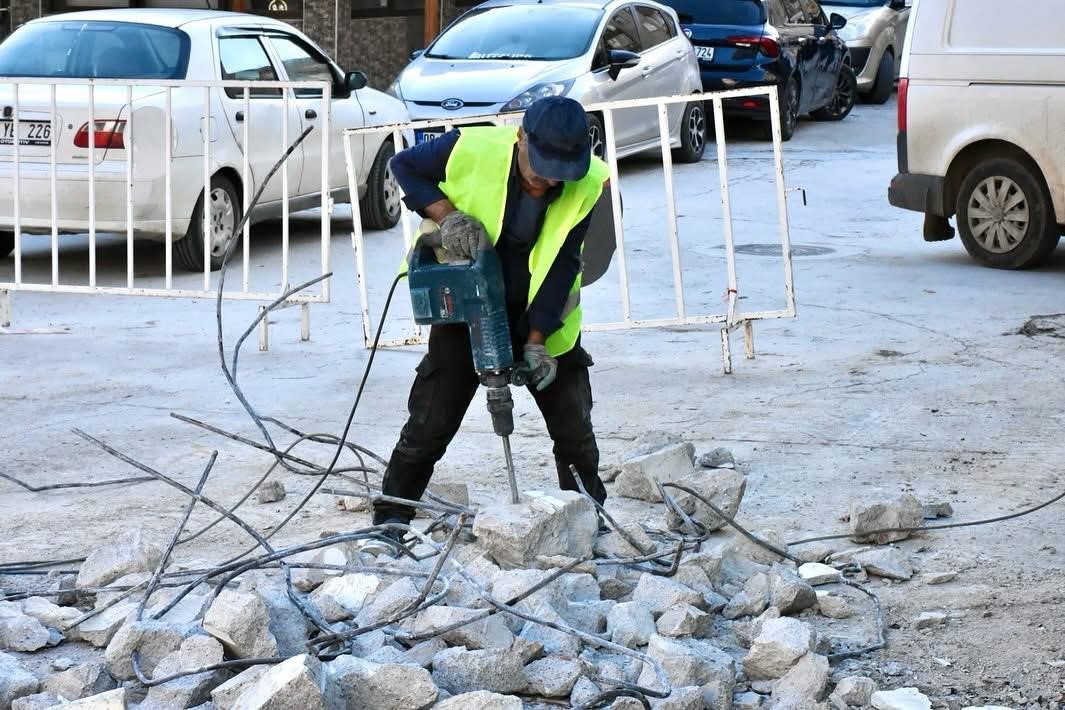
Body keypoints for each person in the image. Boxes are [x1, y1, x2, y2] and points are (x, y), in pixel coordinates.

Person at [371, 96, 611, 539]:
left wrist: (537, 339)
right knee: (432, 421)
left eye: (560, 174)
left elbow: (563, 266)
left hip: (543, 314)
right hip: (470, 306)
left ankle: (587, 518)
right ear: (521, 139)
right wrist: (447, 216)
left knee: (573, 427)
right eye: (540, 171)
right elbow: (405, 165)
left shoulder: (590, 182)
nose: (546, 184)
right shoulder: (470, 148)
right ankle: (392, 517)